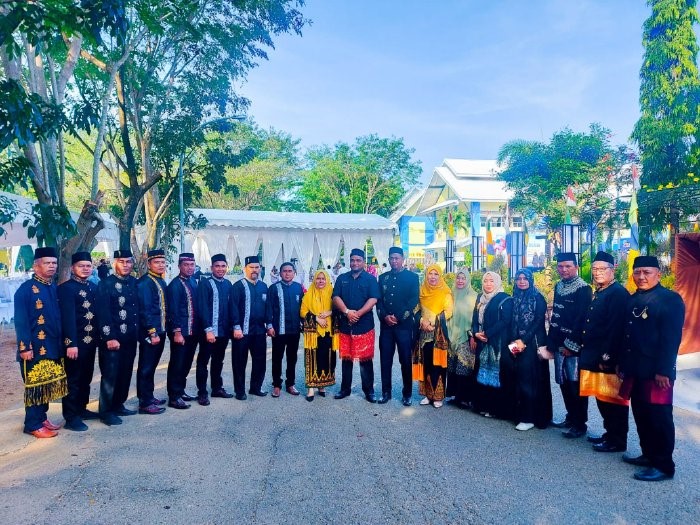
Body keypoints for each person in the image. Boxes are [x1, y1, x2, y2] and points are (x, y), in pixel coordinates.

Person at [620, 256, 685, 482]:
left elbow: (671, 339)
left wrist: (664, 371)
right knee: (641, 414)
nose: (641, 277)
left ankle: (664, 465)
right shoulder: (633, 299)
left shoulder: (670, 300)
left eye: (647, 272)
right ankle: (648, 455)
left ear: (658, 273)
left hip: (658, 373)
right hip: (636, 370)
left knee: (659, 418)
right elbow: (627, 336)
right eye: (637, 272)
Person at [579, 251, 630, 452]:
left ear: (612, 270)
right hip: (594, 354)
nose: (598, 273)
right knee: (602, 398)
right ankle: (610, 434)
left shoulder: (617, 293)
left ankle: (617, 440)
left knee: (613, 400)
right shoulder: (601, 290)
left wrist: (606, 358)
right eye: (595, 269)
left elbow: (615, 329)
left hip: (606, 357)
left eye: (602, 269)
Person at [14, 247, 65, 438]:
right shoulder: (25, 290)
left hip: (52, 346)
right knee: (34, 385)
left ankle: (42, 417)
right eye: (47, 263)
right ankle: (32, 424)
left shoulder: (52, 287)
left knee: (46, 384)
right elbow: (21, 321)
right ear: (36, 266)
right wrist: (24, 347)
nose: (51, 266)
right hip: (33, 349)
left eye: (54, 263)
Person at [548, 252, 593, 438]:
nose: (564, 270)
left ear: (576, 267)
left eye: (568, 266)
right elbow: (556, 316)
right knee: (563, 382)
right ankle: (570, 416)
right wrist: (551, 343)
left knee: (575, 385)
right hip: (559, 344)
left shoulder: (584, 289)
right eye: (560, 266)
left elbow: (581, 319)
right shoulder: (559, 286)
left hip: (573, 347)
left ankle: (580, 423)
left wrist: (570, 345)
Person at [97, 249, 140, 425]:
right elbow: (103, 312)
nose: (126, 265)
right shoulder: (105, 284)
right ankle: (106, 411)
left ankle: (118, 404)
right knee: (110, 375)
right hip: (113, 339)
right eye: (122, 261)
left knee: (125, 372)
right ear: (115, 263)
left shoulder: (134, 283)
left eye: (129, 261)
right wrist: (109, 337)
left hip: (130, 337)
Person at [58, 251, 100, 431]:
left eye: (88, 266)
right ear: (73, 268)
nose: (85, 269)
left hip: (90, 342)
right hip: (75, 344)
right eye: (81, 266)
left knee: (86, 377)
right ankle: (71, 417)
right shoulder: (66, 288)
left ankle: (82, 409)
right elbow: (67, 319)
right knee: (72, 380)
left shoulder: (93, 286)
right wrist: (71, 344)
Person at [332, 248, 380, 403]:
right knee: (347, 359)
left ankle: (369, 391)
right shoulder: (342, 278)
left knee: (365, 360)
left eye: (358, 260)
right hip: (345, 324)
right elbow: (335, 297)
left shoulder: (370, 279)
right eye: (352, 260)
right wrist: (347, 312)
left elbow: (373, 299)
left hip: (364, 325)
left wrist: (357, 314)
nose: (355, 263)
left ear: (363, 262)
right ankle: (345, 389)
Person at [508, 268, 552, 431]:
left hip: (532, 343)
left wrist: (523, 341)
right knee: (519, 376)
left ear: (530, 280)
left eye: (525, 278)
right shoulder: (516, 297)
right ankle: (521, 414)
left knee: (531, 379)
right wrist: (514, 341)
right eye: (518, 278)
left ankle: (531, 417)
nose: (521, 281)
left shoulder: (537, 297)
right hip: (516, 342)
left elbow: (538, 322)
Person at [377, 247, 419, 406]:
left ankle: (407, 393)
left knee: (405, 360)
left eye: (397, 258)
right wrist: (385, 316)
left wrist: (399, 317)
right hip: (386, 327)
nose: (394, 261)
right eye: (391, 258)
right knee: (385, 360)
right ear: (388, 259)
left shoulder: (412, 277)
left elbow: (413, 300)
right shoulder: (383, 278)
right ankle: (385, 392)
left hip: (404, 327)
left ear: (403, 259)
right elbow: (379, 300)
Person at [471, 271, 513, 419]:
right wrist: (475, 333)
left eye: (491, 281)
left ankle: (495, 408)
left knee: (496, 374)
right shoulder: (480, 298)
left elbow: (505, 320)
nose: (488, 284)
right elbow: (475, 319)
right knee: (482, 372)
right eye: (485, 281)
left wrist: (487, 333)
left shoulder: (504, 299)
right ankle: (482, 405)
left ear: (497, 282)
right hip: (482, 340)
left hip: (497, 342)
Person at [413, 264, 453, 408]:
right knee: (426, 364)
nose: (433, 277)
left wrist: (432, 322)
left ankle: (438, 396)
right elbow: (416, 309)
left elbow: (448, 312)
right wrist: (422, 321)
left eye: (436, 274)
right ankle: (427, 395)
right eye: (431, 274)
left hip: (438, 335)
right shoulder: (421, 290)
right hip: (423, 335)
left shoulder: (445, 292)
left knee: (437, 364)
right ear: (426, 275)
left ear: (440, 276)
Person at [196, 254, 235, 404]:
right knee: (203, 361)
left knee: (218, 360)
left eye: (223, 266)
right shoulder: (205, 284)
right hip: (208, 331)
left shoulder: (228, 284)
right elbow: (203, 307)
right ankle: (202, 392)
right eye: (217, 266)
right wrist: (208, 329)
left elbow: (230, 308)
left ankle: (217, 388)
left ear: (226, 267)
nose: (220, 269)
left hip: (223, 331)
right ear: (212, 267)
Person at [230, 255, 269, 399]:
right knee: (239, 362)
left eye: (257, 267)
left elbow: (268, 308)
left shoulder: (263, 286)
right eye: (251, 267)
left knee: (260, 361)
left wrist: (269, 325)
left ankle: (255, 388)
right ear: (245, 268)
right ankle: (240, 391)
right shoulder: (238, 286)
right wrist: (236, 327)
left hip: (259, 330)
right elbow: (233, 307)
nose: (254, 270)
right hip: (242, 331)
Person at [135, 249, 168, 415]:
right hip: (151, 333)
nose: (160, 265)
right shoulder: (144, 283)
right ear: (149, 264)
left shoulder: (160, 281)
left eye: (163, 262)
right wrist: (152, 332)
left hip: (160, 332)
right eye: (157, 262)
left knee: (152, 366)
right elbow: (145, 310)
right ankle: (145, 403)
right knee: (146, 367)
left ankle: (148, 395)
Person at [166, 252, 200, 409]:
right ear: (179, 266)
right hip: (181, 333)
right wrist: (177, 332)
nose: (189, 268)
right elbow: (173, 311)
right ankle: (174, 396)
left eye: (192, 264)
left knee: (186, 363)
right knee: (177, 364)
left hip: (192, 332)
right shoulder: (175, 285)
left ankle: (181, 390)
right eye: (186, 265)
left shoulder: (193, 282)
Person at [266, 261, 304, 397]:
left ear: (294, 273)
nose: (287, 273)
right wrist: (269, 325)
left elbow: (303, 308)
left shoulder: (299, 288)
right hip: (278, 330)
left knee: (292, 358)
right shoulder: (273, 288)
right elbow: (268, 308)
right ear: (280, 273)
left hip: (294, 330)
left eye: (290, 271)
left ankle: (290, 384)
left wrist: (303, 323)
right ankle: (277, 385)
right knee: (277, 357)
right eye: (284, 271)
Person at [300, 269, 338, 400]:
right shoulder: (308, 294)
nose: (321, 281)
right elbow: (303, 312)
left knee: (326, 359)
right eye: (318, 278)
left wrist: (329, 313)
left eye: (323, 278)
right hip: (313, 334)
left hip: (328, 333)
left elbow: (338, 308)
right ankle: (311, 389)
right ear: (314, 279)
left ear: (327, 280)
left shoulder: (333, 293)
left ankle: (322, 386)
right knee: (312, 360)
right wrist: (316, 318)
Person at [445, 268, 478, 408]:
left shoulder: (473, 296)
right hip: (451, 335)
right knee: (452, 366)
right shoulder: (451, 294)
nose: (460, 281)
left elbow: (476, 318)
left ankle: (465, 398)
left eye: (463, 278)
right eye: (458, 278)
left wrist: (473, 336)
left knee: (464, 367)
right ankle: (454, 395)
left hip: (466, 335)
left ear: (467, 280)